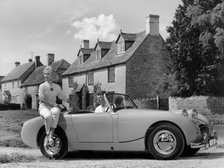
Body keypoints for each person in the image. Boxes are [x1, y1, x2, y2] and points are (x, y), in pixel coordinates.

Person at [38, 66, 71, 145]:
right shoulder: (42, 86)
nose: (46, 76)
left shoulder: (57, 87)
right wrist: (55, 104)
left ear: (52, 75)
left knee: (56, 112)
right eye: (45, 74)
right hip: (44, 106)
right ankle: (47, 135)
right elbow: (42, 99)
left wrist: (72, 102)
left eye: (48, 74)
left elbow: (63, 96)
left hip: (53, 107)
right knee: (47, 116)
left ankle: (51, 135)